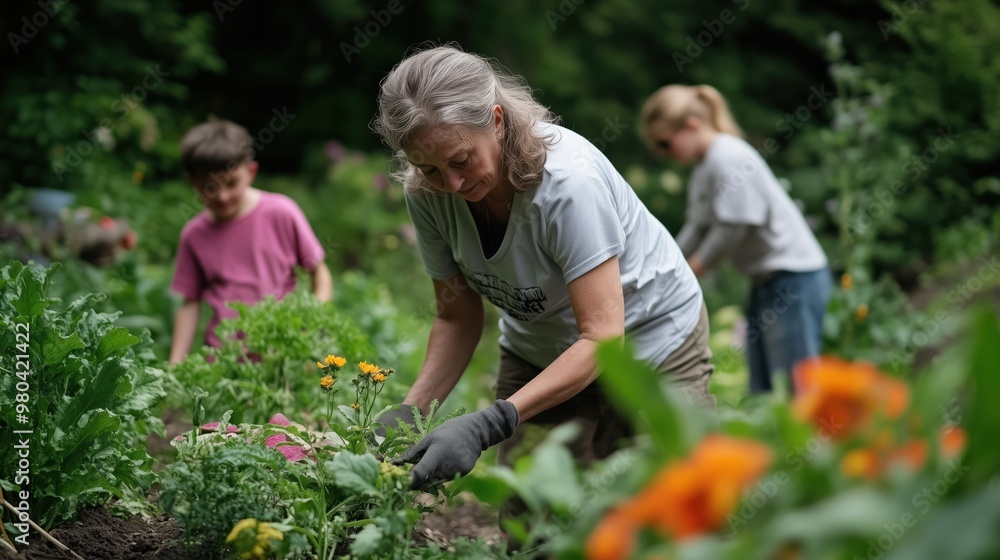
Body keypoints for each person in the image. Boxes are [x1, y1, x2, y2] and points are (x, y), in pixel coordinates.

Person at [370, 45, 714, 492]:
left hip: (654, 336)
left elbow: (602, 336)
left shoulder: (569, 186)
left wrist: (488, 424)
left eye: (460, 161)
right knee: (534, 516)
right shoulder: (426, 194)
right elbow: (456, 314)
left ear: (496, 120)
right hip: (541, 347)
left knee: (690, 498)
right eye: (429, 169)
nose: (451, 184)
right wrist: (412, 412)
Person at [639, 84, 831, 394]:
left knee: (797, 392)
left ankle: (817, 444)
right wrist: (662, 265)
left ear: (691, 125)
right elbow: (697, 228)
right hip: (767, 281)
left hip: (794, 279)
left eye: (664, 143)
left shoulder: (727, 157)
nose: (662, 153)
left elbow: (731, 228)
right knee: (765, 389)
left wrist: (687, 274)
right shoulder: (705, 167)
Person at [168, 120, 333, 364]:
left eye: (231, 183)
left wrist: (312, 318)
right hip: (223, 360)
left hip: (282, 357)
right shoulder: (194, 235)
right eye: (209, 187)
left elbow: (318, 272)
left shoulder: (281, 212)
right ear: (192, 182)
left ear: (251, 172)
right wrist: (175, 363)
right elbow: (189, 303)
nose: (222, 196)